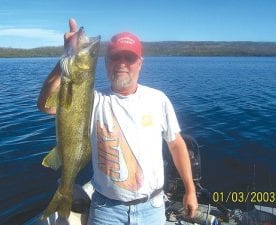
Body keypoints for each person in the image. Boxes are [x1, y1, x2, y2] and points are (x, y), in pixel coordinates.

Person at [37, 18, 198, 225]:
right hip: (106, 210)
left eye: (129, 58)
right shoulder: (93, 101)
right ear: (106, 62)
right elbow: (45, 105)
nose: (122, 63)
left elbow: (176, 145)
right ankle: (64, 194)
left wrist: (190, 190)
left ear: (140, 63)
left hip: (153, 208)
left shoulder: (158, 99)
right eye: (115, 57)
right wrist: (66, 59)